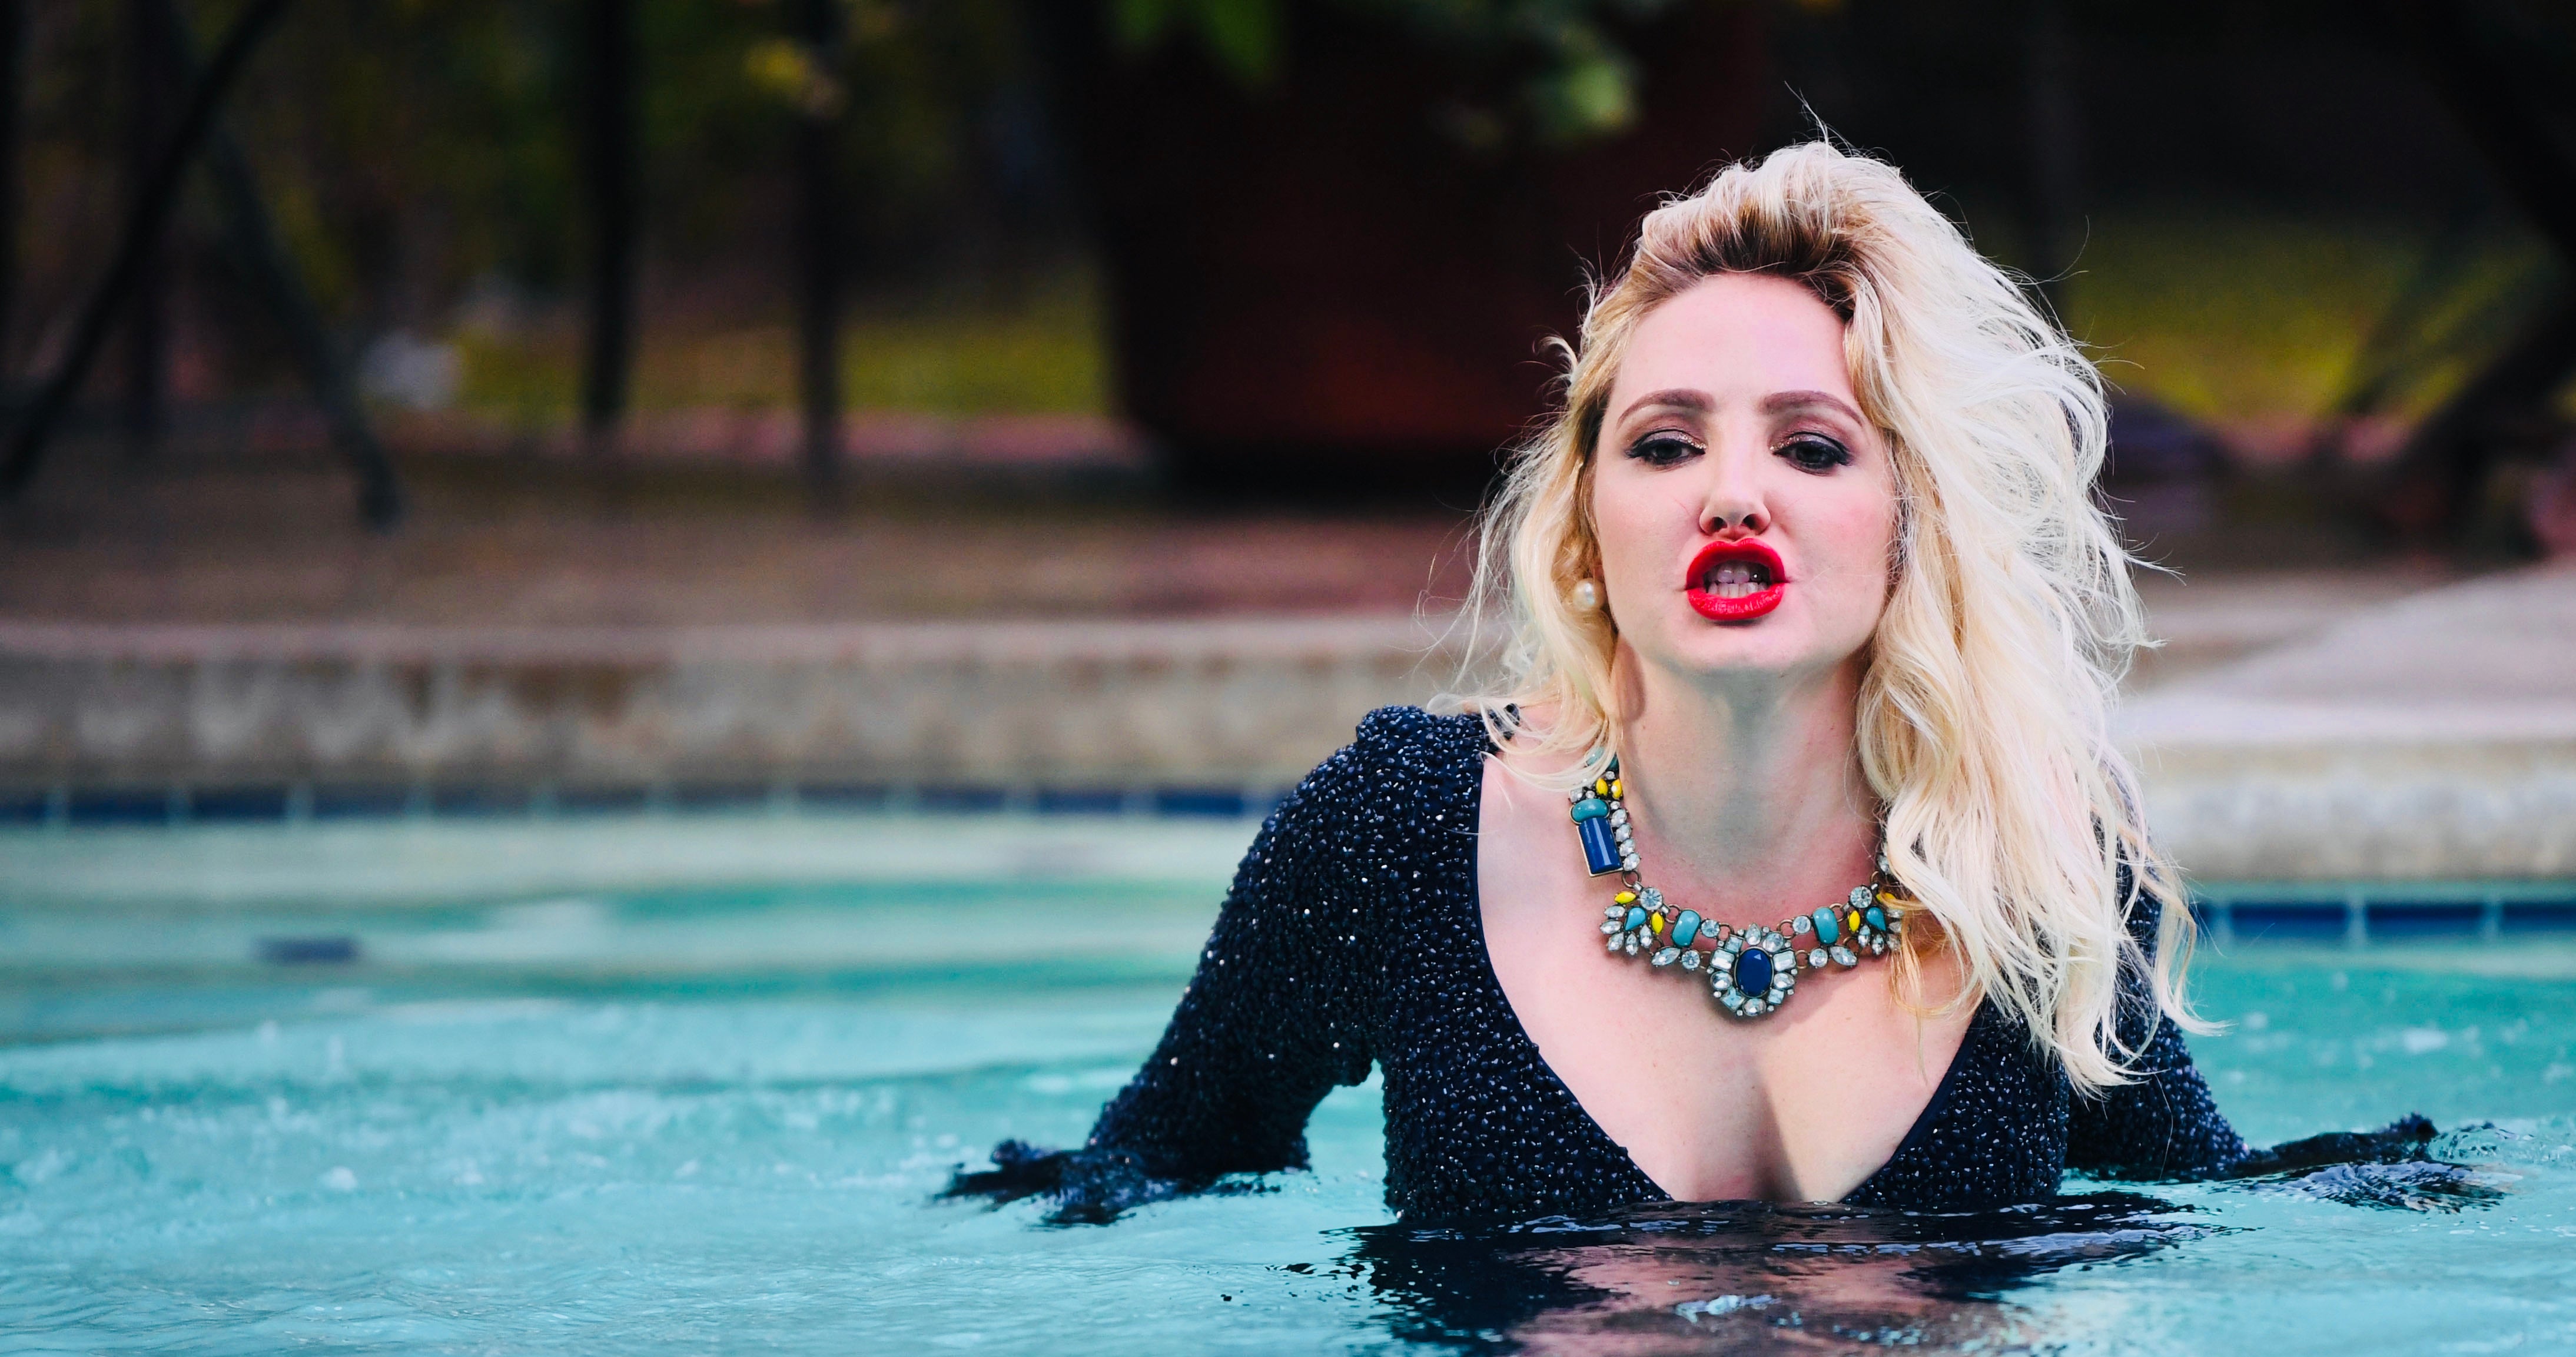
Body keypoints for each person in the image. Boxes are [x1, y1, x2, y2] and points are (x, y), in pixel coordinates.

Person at [952, 141, 2429, 1228]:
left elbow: (2203, 1197)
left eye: (1812, 446)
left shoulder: (2025, 855)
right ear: (1586, 528)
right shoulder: (1400, 830)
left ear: (1909, 525)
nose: (1733, 494)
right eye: (1665, 445)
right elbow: (1144, 1168)